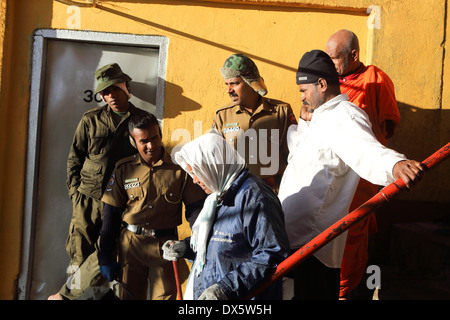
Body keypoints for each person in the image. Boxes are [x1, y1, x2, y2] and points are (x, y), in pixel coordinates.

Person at [278, 50, 426, 300]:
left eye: (304, 91)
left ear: (322, 84)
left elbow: (365, 149)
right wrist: (304, 124)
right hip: (294, 242)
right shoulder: (321, 118)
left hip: (315, 247)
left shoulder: (344, 115)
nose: (301, 97)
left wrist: (395, 165)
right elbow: (302, 158)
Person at [48, 63, 143, 300]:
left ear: (125, 87)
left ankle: (64, 296)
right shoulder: (91, 119)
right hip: (86, 200)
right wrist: (75, 194)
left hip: (118, 203)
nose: (109, 96)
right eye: (104, 92)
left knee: (105, 256)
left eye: (113, 90)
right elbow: (75, 158)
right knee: (79, 258)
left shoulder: (140, 121)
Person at [162, 133, 290, 300]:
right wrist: (186, 247)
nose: (194, 180)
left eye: (197, 173)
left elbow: (272, 255)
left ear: (213, 167)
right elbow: (218, 245)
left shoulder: (254, 197)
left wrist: (226, 288)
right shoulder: (217, 196)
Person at [97, 110, 206, 300]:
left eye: (155, 138)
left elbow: (195, 211)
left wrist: (197, 244)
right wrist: (105, 255)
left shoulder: (179, 169)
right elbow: (111, 215)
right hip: (131, 247)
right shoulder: (124, 169)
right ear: (134, 142)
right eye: (143, 141)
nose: (151, 145)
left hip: (165, 248)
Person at [326, 29, 401, 299]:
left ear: (354, 55)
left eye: (335, 58)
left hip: (362, 179)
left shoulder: (376, 80)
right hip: (330, 178)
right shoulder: (326, 83)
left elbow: (386, 130)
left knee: (354, 242)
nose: (330, 64)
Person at [212, 53, 297, 192]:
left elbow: (294, 157)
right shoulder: (223, 116)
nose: (229, 90)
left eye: (234, 83)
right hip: (236, 197)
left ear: (250, 83)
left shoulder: (281, 112)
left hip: (273, 196)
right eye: (227, 84)